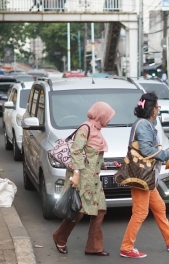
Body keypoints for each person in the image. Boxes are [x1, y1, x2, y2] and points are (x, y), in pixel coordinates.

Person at [119, 93, 169, 258]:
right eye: (157, 106)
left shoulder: (147, 123)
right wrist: (166, 154)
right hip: (141, 175)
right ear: (151, 109)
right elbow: (146, 150)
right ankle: (126, 247)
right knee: (140, 212)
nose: (158, 109)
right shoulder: (143, 125)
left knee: (159, 207)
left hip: (147, 176)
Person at [53, 102, 114, 256]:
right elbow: (76, 151)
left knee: (100, 211)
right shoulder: (85, 128)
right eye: (108, 116)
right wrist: (76, 173)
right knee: (77, 211)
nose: (109, 119)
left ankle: (94, 247)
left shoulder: (97, 130)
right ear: (101, 114)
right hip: (82, 178)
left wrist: (105, 165)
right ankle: (60, 237)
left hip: (94, 180)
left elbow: (93, 155)